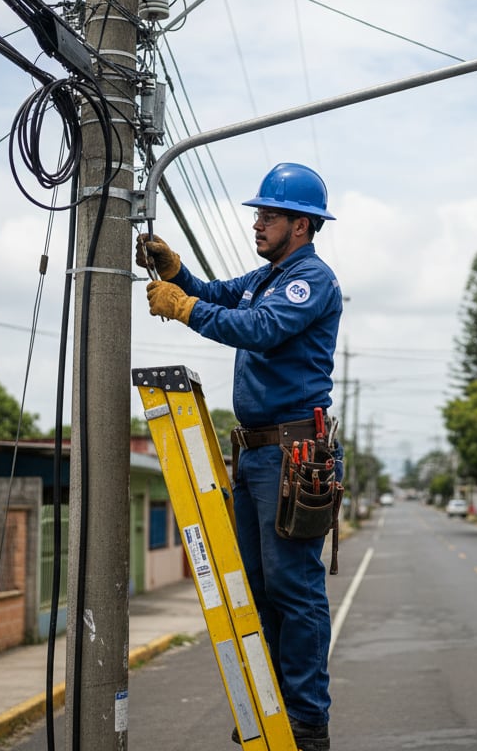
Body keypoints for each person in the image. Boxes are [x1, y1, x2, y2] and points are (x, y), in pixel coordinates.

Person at [137, 162, 342, 751]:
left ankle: (305, 719)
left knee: (293, 588)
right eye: (259, 213)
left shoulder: (308, 282)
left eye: (269, 215)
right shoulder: (269, 276)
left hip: (294, 454)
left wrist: (183, 309)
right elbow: (224, 296)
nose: (258, 222)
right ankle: (271, 701)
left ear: (301, 225)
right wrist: (180, 277)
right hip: (257, 457)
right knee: (255, 587)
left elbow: (259, 328)